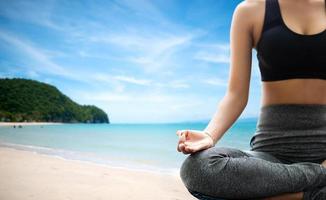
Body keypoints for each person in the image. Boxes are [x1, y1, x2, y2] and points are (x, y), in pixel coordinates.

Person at [176, 0, 326, 199]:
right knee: (197, 167)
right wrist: (210, 135)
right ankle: (317, 187)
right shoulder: (251, 11)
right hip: (270, 156)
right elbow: (236, 95)